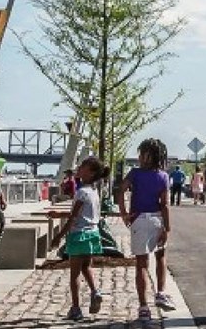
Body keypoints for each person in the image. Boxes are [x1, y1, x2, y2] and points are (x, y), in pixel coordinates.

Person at [116, 138, 176, 322]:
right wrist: (167, 228)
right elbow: (165, 204)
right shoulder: (163, 176)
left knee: (141, 263)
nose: (139, 156)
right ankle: (160, 292)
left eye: (142, 153)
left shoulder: (134, 173)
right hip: (158, 218)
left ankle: (143, 306)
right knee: (161, 256)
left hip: (139, 219)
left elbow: (120, 190)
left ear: (148, 156)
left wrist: (123, 213)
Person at [51, 156, 110, 321]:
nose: (79, 167)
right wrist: (59, 214)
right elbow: (84, 214)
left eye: (83, 165)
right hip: (93, 234)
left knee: (74, 273)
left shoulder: (81, 192)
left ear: (90, 173)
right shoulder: (94, 192)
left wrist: (59, 236)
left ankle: (76, 308)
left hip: (79, 235)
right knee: (86, 267)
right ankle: (95, 291)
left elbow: (73, 218)